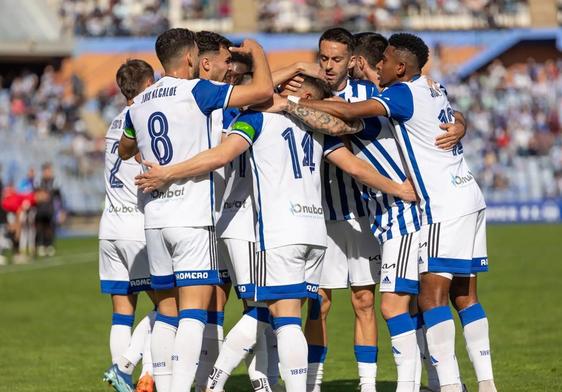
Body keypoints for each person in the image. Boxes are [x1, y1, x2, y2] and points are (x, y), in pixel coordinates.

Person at [134, 74, 416, 392]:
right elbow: (352, 166)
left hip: (279, 232)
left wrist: (167, 173)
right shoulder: (318, 125)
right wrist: (399, 188)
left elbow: (222, 155)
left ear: (305, 94)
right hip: (314, 231)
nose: (280, 90)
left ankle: (216, 381)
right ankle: (249, 380)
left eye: (288, 89)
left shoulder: (256, 119)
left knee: (280, 317)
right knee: (282, 315)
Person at [279, 33, 496, 392]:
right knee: (440, 299)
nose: (328, 65)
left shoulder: (378, 96)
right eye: (323, 59)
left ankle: (435, 385)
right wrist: (461, 122)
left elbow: (343, 120)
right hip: (412, 208)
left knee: (405, 304)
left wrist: (286, 103)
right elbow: (444, 106)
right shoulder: (423, 86)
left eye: (337, 59)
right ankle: (449, 383)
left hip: (409, 211)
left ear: (357, 63)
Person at [118, 27, 274, 392]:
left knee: (166, 313)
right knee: (193, 312)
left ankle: (163, 382)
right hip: (192, 217)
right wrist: (257, 51)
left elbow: (126, 149)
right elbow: (264, 91)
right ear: (191, 58)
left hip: (154, 218)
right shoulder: (198, 91)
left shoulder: (138, 102)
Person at [99, 59, 157, 392]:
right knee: (171, 304)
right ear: (149, 84)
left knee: (122, 312)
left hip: (110, 227)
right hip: (137, 225)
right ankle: (143, 375)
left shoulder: (114, 122)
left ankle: (123, 381)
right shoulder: (143, 120)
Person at [192, 30, 235, 392]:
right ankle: (210, 379)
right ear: (206, 62)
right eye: (226, 58)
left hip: (216, 213)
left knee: (198, 301)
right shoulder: (205, 94)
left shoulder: (199, 95)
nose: (230, 65)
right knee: (208, 300)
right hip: (215, 215)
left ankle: (206, 379)